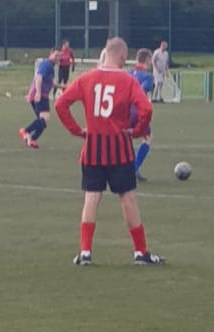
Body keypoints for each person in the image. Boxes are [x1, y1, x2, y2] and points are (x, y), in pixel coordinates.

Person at [54, 36, 163, 267]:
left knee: (91, 197)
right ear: (122, 56)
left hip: (93, 148)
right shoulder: (127, 80)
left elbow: (60, 104)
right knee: (127, 197)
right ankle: (140, 252)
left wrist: (77, 130)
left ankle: (85, 252)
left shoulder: (87, 78)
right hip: (120, 149)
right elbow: (146, 108)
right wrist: (137, 131)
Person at [20, 50, 56, 149]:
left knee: (43, 122)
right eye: (56, 55)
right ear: (51, 53)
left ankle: (31, 139)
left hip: (40, 95)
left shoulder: (51, 66)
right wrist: (38, 93)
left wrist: (65, 87)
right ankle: (26, 131)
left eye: (59, 56)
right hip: (40, 95)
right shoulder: (47, 64)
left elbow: (51, 83)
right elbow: (39, 77)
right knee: (45, 119)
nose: (58, 58)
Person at [131, 48, 155, 180]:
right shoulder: (147, 77)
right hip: (137, 113)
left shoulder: (129, 73)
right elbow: (142, 90)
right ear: (147, 60)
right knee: (147, 138)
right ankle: (134, 168)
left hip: (123, 111)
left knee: (123, 139)